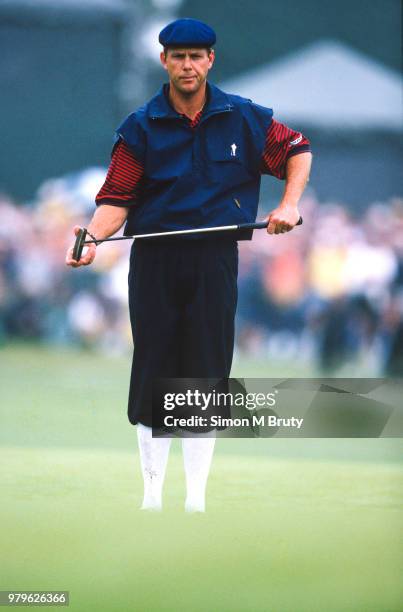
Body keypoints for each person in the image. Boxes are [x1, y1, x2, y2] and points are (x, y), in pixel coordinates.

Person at [65, 18, 312, 512]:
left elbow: (297, 151)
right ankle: (152, 498)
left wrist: (288, 204)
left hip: (216, 257)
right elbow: (115, 199)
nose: (187, 65)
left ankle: (195, 502)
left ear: (210, 60)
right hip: (154, 258)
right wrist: (92, 237)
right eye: (178, 56)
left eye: (196, 56)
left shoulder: (242, 117)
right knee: (156, 371)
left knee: (204, 374)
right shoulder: (141, 126)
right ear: (165, 61)